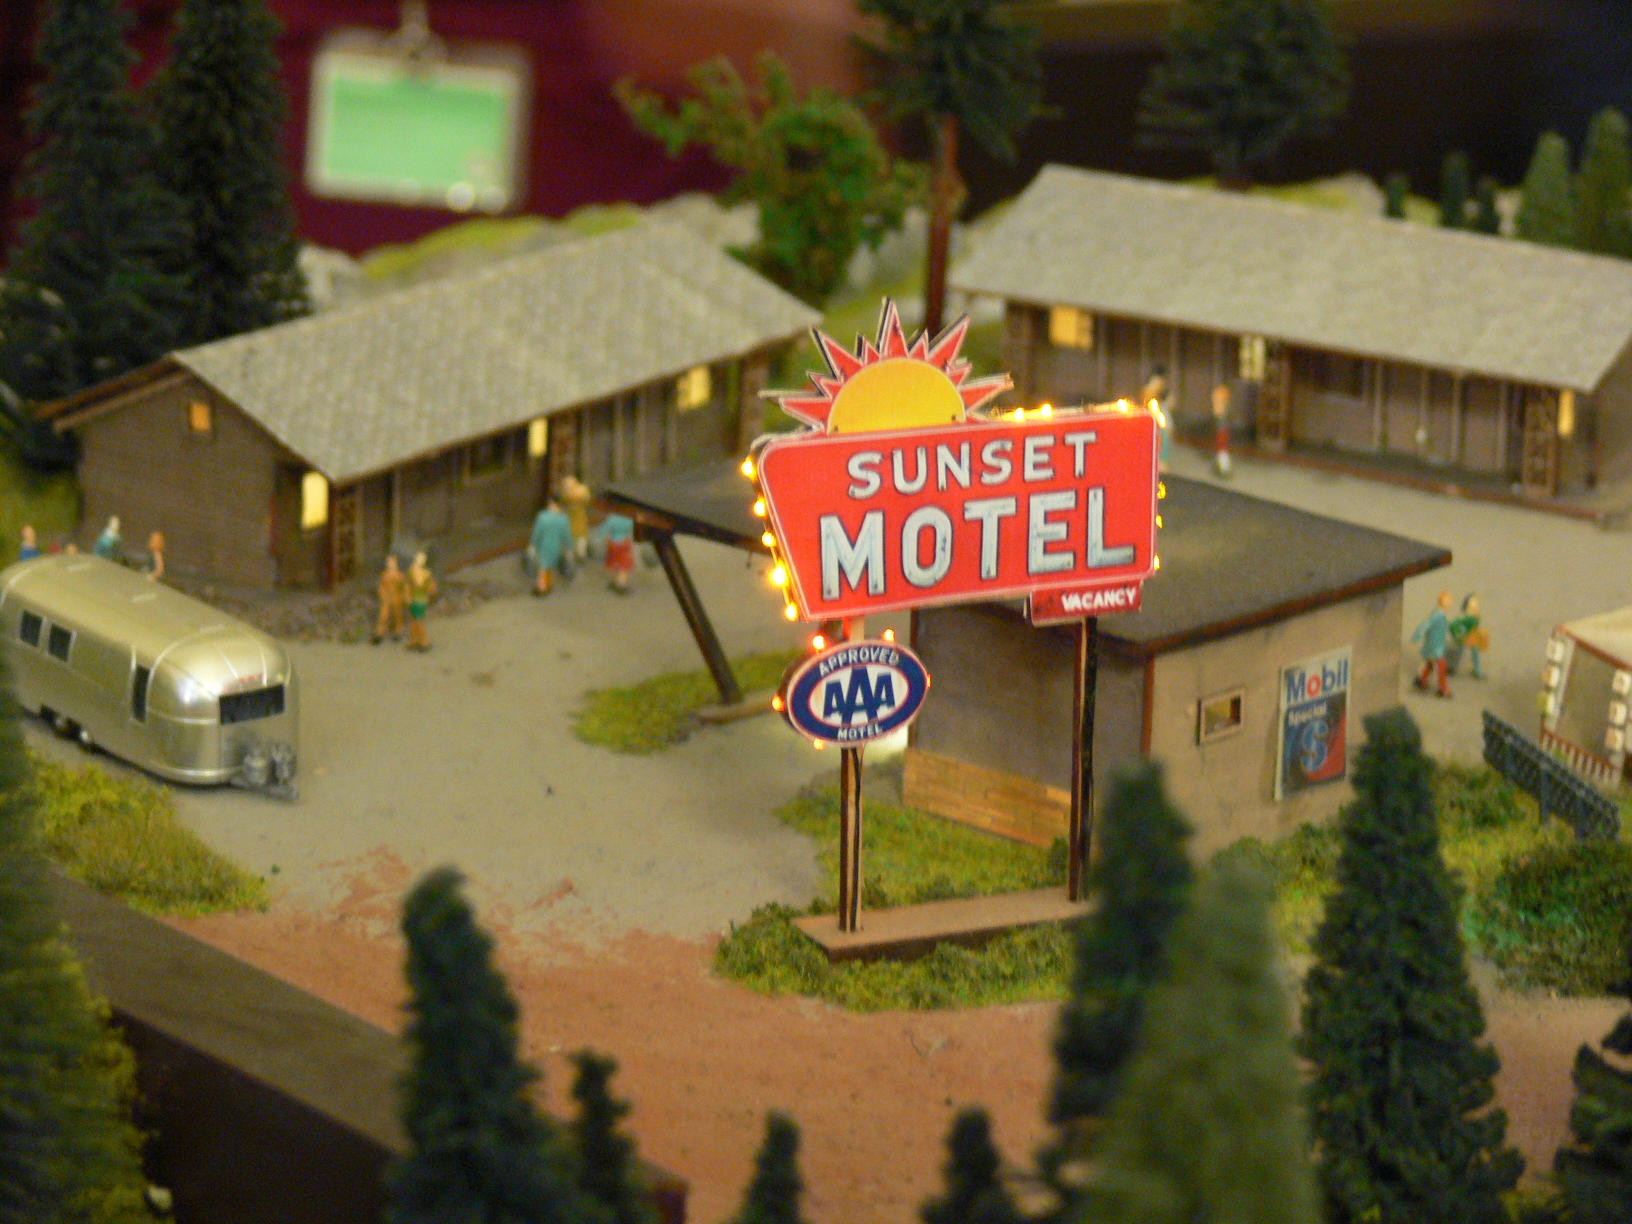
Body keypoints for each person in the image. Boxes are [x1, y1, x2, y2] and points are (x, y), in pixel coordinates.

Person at [1412, 589, 1454, 697]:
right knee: (1441, 665)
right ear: (1442, 601)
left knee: (1430, 663)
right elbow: (1425, 624)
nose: (1450, 602)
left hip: (1437, 644)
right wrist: (1416, 637)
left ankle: (1422, 681)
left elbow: (1446, 626)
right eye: (1448, 600)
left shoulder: (1442, 614)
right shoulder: (1438, 614)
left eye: (1450, 600)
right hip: (1434, 646)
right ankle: (1443, 689)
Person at [528, 501, 573, 596]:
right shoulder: (564, 519)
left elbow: (537, 532)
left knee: (542, 569)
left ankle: (541, 589)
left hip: (544, 547)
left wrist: (532, 545)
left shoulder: (542, 517)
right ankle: (549, 585)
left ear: (551, 504)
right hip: (557, 547)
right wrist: (569, 548)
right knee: (551, 567)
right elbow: (567, 535)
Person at [1447, 593, 1490, 679]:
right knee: (1459, 652)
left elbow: (1474, 626)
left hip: (1471, 636)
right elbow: (1455, 624)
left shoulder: (1474, 615)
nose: (1476, 605)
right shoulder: (1466, 617)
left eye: (1476, 603)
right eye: (1473, 603)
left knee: (1473, 652)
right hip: (1464, 636)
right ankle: (1453, 668)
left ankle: (1476, 670)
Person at [404, 552, 438, 652]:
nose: (419, 561)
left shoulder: (426, 573)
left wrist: (428, 591)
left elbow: (432, 587)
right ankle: (414, 640)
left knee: (419, 621)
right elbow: (407, 585)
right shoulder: (411, 571)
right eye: (418, 559)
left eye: (421, 559)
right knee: (413, 621)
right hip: (413, 600)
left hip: (421, 600)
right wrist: (407, 596)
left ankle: (424, 642)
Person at [372, 554, 407, 644]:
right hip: (386, 599)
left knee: (397, 616)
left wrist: (404, 597)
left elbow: (404, 587)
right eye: (388, 563)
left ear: (396, 564)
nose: (390, 564)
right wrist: (382, 595)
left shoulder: (400, 576)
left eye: (392, 563)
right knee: (383, 616)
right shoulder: (384, 575)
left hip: (397, 598)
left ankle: (398, 632)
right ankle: (379, 633)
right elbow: (381, 586)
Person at [599, 513, 636, 593]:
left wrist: (599, 539)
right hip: (624, 543)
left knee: (613, 562)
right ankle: (621, 585)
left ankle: (613, 581)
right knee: (623, 566)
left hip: (612, 543)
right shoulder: (629, 519)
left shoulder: (612, 518)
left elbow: (603, 530)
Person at [559, 474, 593, 560]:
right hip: (575, 520)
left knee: (576, 537)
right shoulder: (581, 491)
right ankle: (578, 553)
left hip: (575, 520)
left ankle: (575, 554)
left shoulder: (573, 493)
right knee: (578, 537)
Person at [1210, 383, 1232, 477]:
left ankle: (1224, 469)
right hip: (1221, 432)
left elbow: (1218, 413)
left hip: (1221, 433)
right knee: (1221, 451)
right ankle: (1221, 468)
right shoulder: (1223, 412)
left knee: (1222, 451)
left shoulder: (1222, 411)